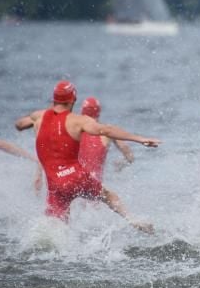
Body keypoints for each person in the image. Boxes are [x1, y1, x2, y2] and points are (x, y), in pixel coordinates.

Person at [15, 81, 159, 233]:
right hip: (76, 178)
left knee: (57, 228)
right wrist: (140, 138)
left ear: (54, 100)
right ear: (72, 101)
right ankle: (132, 219)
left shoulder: (38, 117)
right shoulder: (79, 121)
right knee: (109, 196)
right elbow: (107, 130)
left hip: (55, 185)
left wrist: (32, 121)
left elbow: (19, 124)